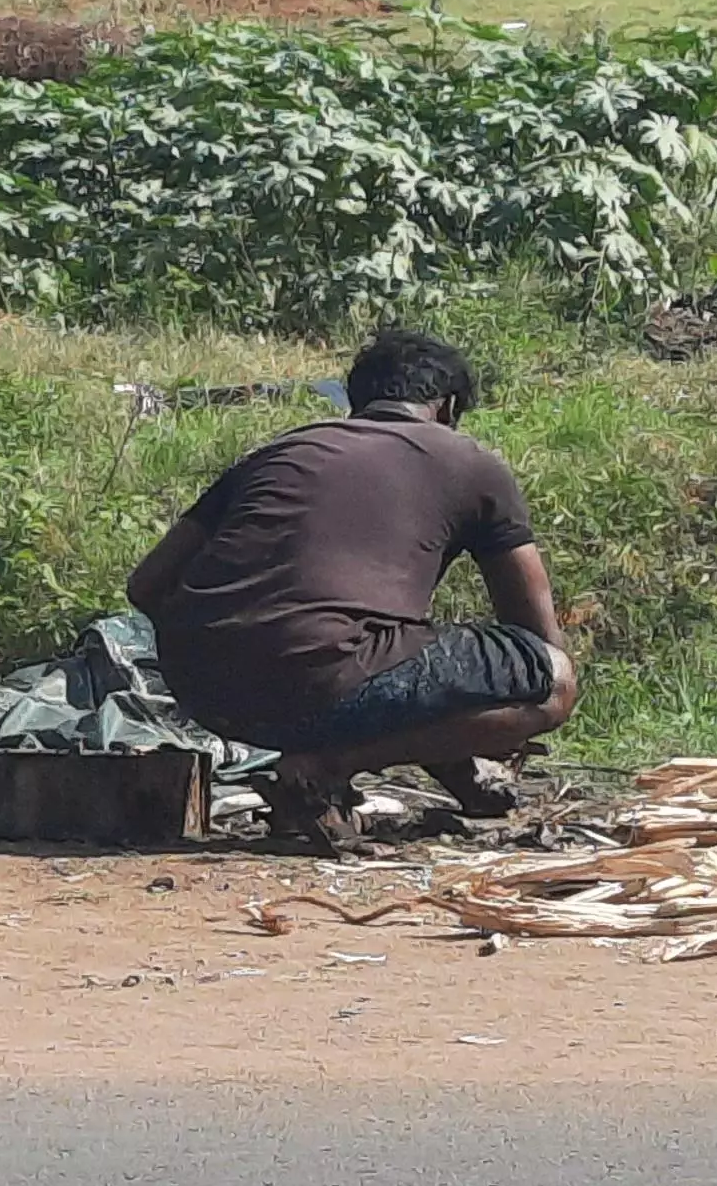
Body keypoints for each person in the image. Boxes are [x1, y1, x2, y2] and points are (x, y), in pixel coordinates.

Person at [127, 329, 579, 852]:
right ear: (449, 405)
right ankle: (321, 769)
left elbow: (146, 586)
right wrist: (501, 727)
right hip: (322, 678)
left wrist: (231, 645)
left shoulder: (279, 451)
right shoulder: (469, 461)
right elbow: (536, 635)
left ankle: (437, 778)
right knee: (553, 679)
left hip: (203, 692)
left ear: (357, 400)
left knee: (401, 654)